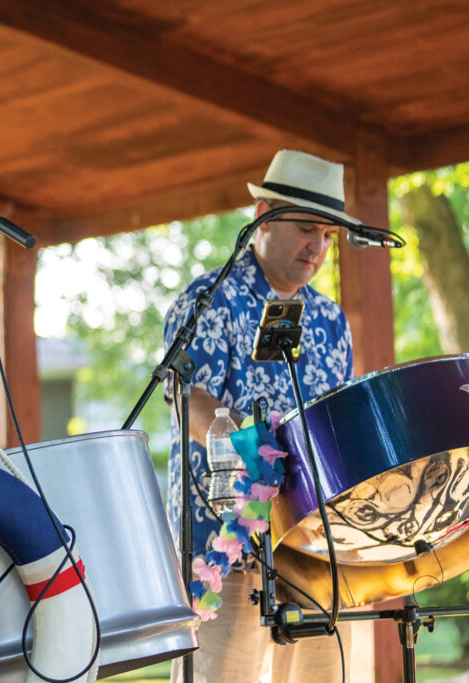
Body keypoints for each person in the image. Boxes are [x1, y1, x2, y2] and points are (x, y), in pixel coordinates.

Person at [163, 149, 359, 682]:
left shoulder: (330, 318)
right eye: (304, 229)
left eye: (327, 236)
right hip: (223, 544)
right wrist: (247, 447)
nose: (317, 247)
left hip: (314, 545)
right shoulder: (209, 299)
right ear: (262, 216)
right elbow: (189, 400)